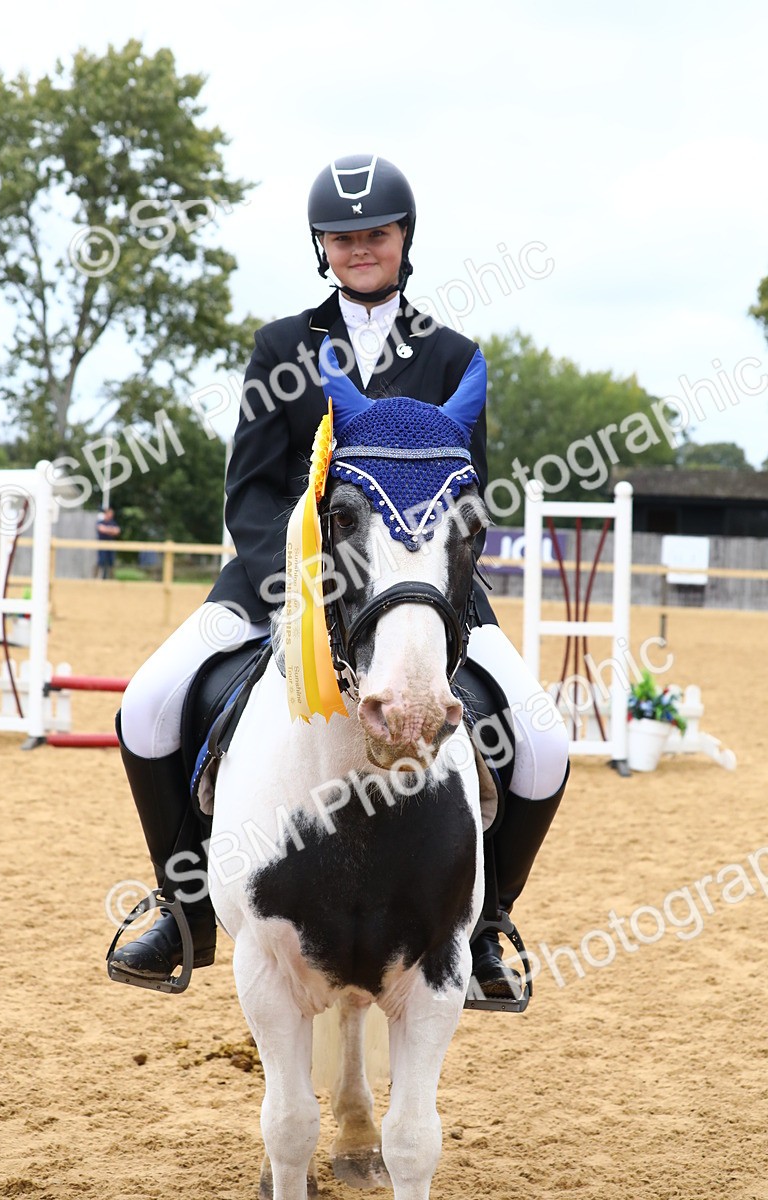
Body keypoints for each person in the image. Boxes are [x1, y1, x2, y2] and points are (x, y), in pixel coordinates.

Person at [111, 154, 569, 1002]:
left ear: (405, 240)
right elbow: (249, 488)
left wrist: (443, 592)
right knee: (146, 702)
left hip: (426, 597)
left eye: (377, 234)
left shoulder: (453, 356)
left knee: (543, 741)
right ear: (323, 248)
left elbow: (471, 498)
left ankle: (492, 919)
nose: (361, 247)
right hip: (277, 587)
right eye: (343, 236)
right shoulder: (282, 347)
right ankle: (180, 908)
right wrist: (293, 590)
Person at [95, 507, 120, 580]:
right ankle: (97, 578)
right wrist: (111, 530)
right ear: (106, 514)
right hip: (102, 545)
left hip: (110, 545)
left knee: (111, 562)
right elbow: (101, 529)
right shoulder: (101, 522)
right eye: (109, 513)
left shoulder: (113, 522)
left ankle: (111, 578)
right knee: (101, 561)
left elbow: (117, 531)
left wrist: (107, 530)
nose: (111, 515)